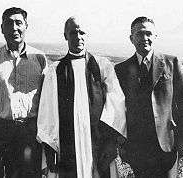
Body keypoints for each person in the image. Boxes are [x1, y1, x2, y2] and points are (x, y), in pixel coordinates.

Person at [36, 16, 127, 178]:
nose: (78, 37)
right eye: (73, 33)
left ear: (87, 34)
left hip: (98, 143)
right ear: (65, 36)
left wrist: (109, 141)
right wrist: (50, 146)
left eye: (82, 32)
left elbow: (116, 103)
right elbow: (47, 110)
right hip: (67, 146)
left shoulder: (102, 65)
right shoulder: (54, 71)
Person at [115, 16, 183, 177]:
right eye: (139, 34)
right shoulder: (121, 70)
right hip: (137, 149)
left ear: (155, 36)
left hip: (167, 145)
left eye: (149, 33)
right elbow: (118, 109)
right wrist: (121, 143)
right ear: (131, 38)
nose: (145, 38)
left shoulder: (172, 63)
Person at [0, 7, 47, 178]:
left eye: (18, 23)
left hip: (29, 133)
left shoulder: (39, 58)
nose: (14, 28)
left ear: (26, 26)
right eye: (9, 23)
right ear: (2, 29)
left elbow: (46, 100)